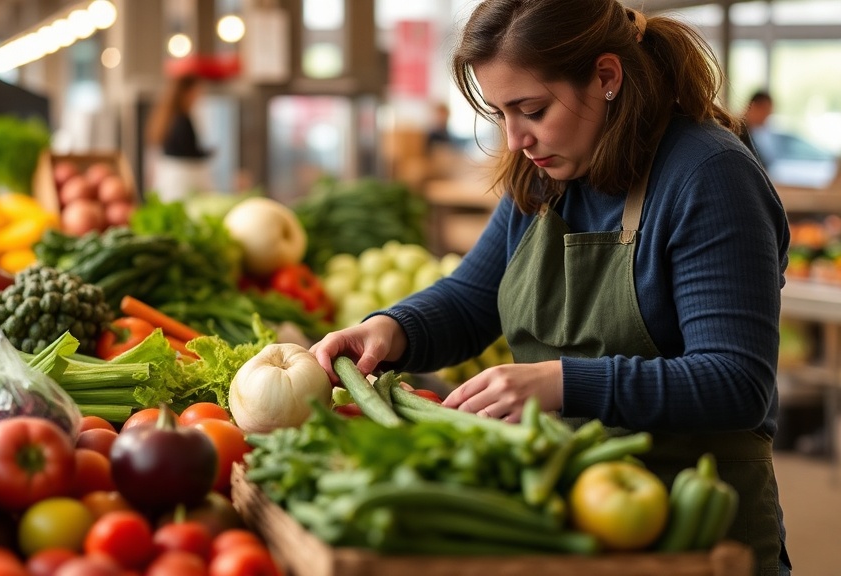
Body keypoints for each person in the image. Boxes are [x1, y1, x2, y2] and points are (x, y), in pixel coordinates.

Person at [311, 1, 790, 574]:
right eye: (501, 113)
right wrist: (390, 329)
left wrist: (561, 382)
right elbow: (471, 300)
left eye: (532, 110)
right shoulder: (546, 176)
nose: (516, 139)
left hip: (697, 534)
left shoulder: (709, 175)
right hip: (567, 519)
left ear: (606, 77)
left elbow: (735, 381)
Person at [145, 73, 212, 201]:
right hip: (182, 182)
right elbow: (187, 152)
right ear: (187, 92)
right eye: (197, 91)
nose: (199, 96)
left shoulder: (168, 117)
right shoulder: (182, 120)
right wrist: (206, 153)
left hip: (169, 179)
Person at [739, 90, 774, 166]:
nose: (766, 117)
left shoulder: (747, 131)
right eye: (766, 111)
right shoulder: (739, 132)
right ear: (754, 107)